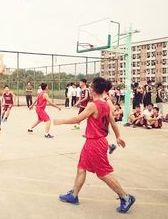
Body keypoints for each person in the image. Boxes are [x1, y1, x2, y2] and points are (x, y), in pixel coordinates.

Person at [53, 77, 135, 213]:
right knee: (81, 167)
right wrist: (118, 136)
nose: (90, 88)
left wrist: (61, 121)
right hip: (93, 142)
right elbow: (113, 122)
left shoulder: (93, 105)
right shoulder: (105, 104)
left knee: (103, 173)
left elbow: (78, 118)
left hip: (95, 143)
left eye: (91, 87)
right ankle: (74, 195)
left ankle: (125, 197)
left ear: (94, 89)